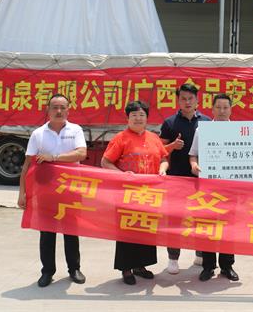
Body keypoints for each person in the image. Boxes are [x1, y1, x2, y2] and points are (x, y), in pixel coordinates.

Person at [18, 93, 87, 288]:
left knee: (71, 231)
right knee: (47, 232)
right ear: (48, 110)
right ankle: (47, 271)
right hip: (45, 191)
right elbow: (27, 165)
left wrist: (53, 157)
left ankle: (74, 269)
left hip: (71, 189)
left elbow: (81, 153)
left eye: (62, 107)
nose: (59, 111)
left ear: (68, 110)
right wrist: (22, 192)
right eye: (55, 107)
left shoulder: (76, 130)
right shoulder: (38, 134)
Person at [101, 100, 169, 285]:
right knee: (127, 230)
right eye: (134, 115)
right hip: (127, 194)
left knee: (145, 229)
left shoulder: (153, 137)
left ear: (147, 118)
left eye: (142, 115)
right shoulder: (120, 138)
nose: (138, 119)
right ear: (127, 118)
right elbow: (105, 162)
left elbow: (164, 158)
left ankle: (141, 266)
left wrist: (162, 169)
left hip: (150, 193)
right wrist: (122, 174)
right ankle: (126, 269)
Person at [159, 83, 211, 274]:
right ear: (178, 101)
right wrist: (173, 146)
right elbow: (160, 151)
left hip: (201, 179)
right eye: (183, 99)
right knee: (175, 219)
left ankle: (200, 253)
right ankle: (173, 258)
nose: (187, 102)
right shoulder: (169, 123)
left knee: (201, 217)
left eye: (191, 98)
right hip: (176, 179)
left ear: (197, 100)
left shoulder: (207, 122)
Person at [189, 93, 239, 282]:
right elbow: (193, 154)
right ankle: (208, 266)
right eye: (218, 107)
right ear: (212, 109)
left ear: (231, 109)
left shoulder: (239, 130)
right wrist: (194, 165)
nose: (222, 111)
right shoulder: (202, 130)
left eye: (225, 107)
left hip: (230, 186)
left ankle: (227, 266)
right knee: (207, 225)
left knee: (228, 226)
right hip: (207, 186)